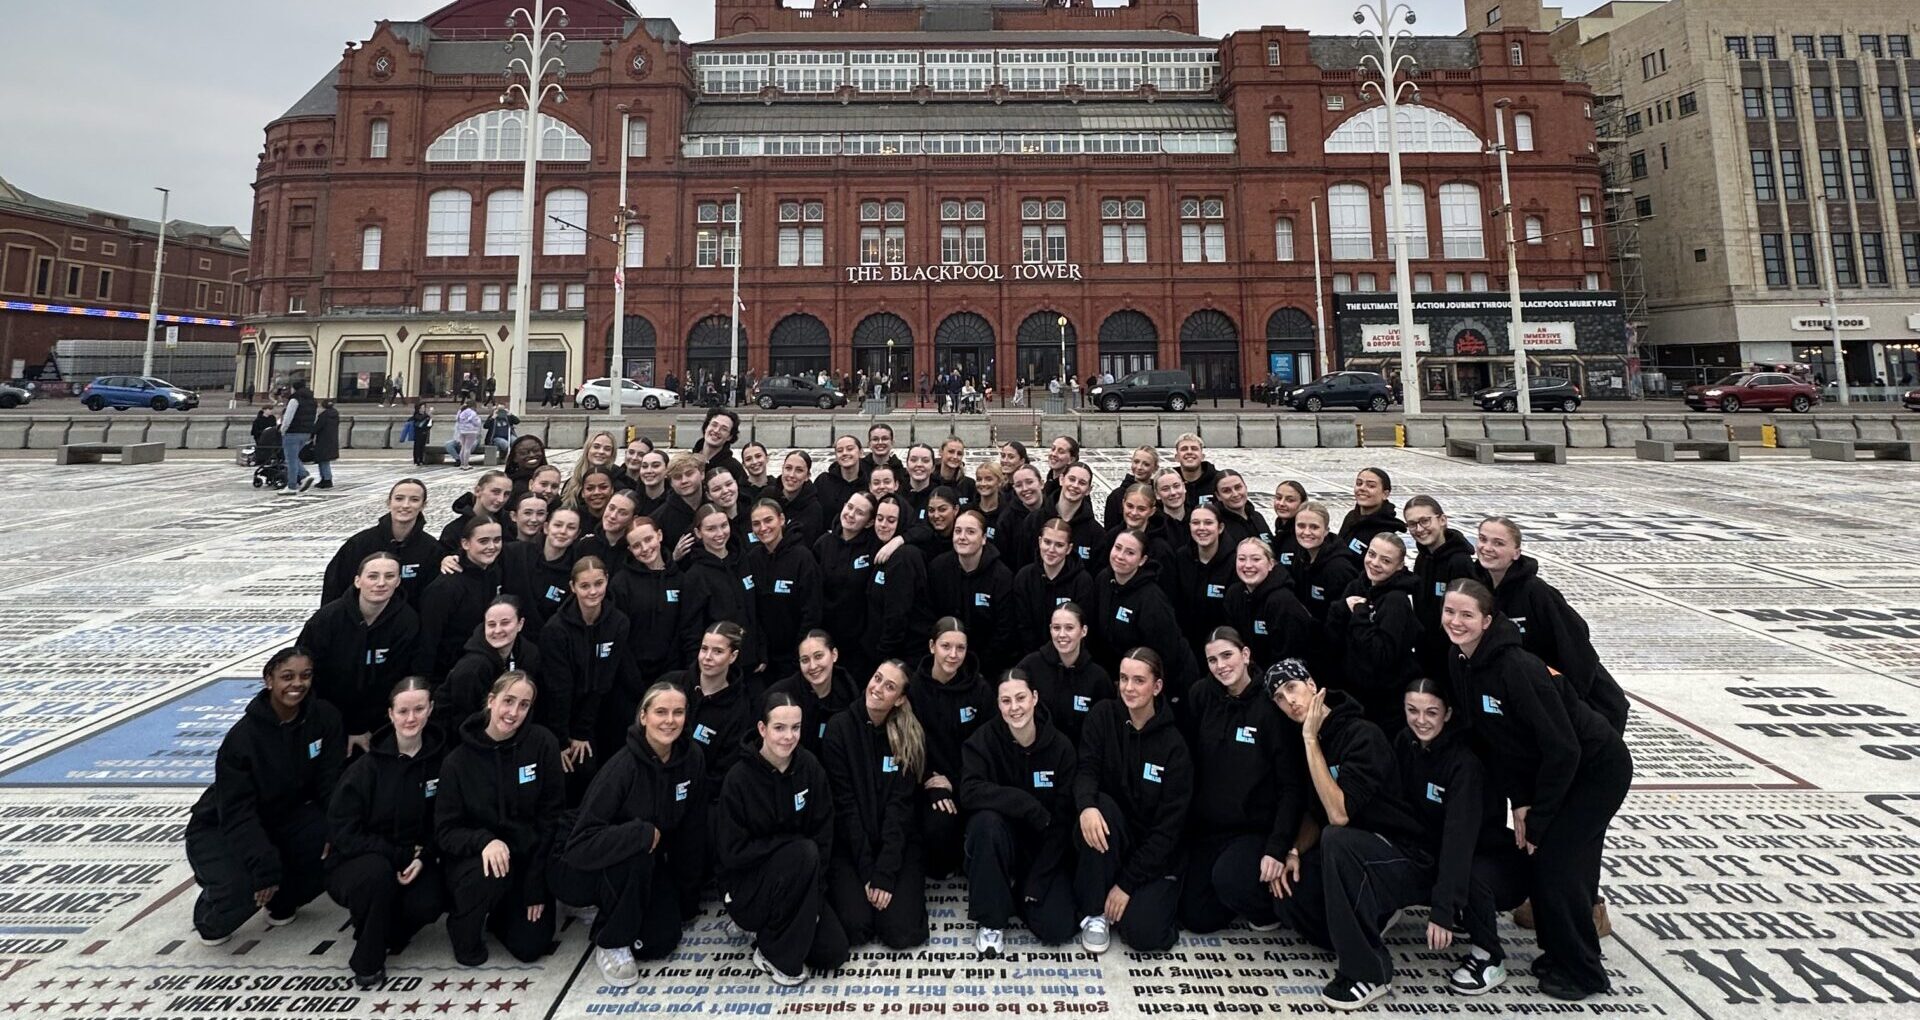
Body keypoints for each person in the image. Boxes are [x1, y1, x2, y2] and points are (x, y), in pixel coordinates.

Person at [1444, 580, 1632, 1001]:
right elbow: (1499, 743)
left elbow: (1562, 748)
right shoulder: (1460, 660)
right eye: (1449, 612)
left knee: (1558, 864)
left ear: (1488, 621)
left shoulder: (1517, 668)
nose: (1456, 622)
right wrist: (1522, 802)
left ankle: (1584, 971)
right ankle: (1560, 952)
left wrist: (1540, 815)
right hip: (1553, 771)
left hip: (1595, 769)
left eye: (1467, 615)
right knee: (1551, 863)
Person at [1265, 659, 1430, 1011]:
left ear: (1312, 684)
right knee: (1287, 894)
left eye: (1292, 688)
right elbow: (1314, 811)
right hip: (1354, 857)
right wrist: (1293, 851)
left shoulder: (1361, 733)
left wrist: (1310, 741)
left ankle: (1369, 971)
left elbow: (1338, 815)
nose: (1289, 701)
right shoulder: (1310, 740)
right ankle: (1370, 918)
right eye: (1279, 698)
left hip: (1402, 854)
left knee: (1336, 839)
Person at [555, 682, 710, 986]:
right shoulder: (622, 767)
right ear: (643, 716)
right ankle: (610, 942)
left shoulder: (692, 758)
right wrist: (638, 833)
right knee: (638, 851)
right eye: (660, 712)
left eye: (678, 712)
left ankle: (613, 906)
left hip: (645, 863)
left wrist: (687, 898)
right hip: (583, 864)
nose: (669, 720)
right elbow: (580, 843)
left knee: (661, 940)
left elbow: (692, 829)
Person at [186, 647, 341, 946]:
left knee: (338, 846)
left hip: (284, 817)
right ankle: (211, 911)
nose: (297, 684)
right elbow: (236, 812)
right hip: (222, 826)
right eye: (287, 676)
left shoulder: (325, 718)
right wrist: (264, 867)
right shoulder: (242, 739)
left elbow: (330, 783)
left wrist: (338, 828)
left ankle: (283, 899)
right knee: (243, 887)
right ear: (269, 680)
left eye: (305, 676)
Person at [1395, 677, 1529, 995]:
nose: (1421, 720)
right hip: (1439, 847)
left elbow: (1459, 840)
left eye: (1431, 712)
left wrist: (1441, 910)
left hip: (1490, 859)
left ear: (1448, 713)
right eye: (1412, 710)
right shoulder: (1404, 742)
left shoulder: (1463, 765)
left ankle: (1488, 957)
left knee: (1467, 873)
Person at [715, 694, 851, 986]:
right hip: (750, 887)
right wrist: (788, 849)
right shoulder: (738, 779)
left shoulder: (809, 768)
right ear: (762, 729)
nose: (789, 737)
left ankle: (770, 932)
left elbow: (823, 833)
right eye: (779, 728)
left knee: (834, 952)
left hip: (801, 879)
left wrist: (815, 897)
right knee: (802, 851)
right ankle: (773, 955)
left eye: (796, 727)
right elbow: (731, 852)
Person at [1180, 629, 1306, 935]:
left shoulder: (1269, 706)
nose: (1221, 665)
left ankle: (1265, 906)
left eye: (1227, 655)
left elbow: (1292, 785)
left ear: (1245, 655)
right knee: (1196, 917)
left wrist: (1278, 847)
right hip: (1210, 829)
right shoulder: (1201, 695)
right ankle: (1233, 889)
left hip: (1253, 829)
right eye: (1212, 660)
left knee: (1230, 879)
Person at [325, 676, 448, 988]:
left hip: (415, 859)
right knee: (377, 875)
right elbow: (343, 831)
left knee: (430, 901)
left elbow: (448, 820)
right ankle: (367, 959)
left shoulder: (443, 763)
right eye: (403, 711)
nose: (411, 718)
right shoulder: (365, 769)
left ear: (430, 709)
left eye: (418, 709)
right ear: (390, 714)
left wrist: (424, 856)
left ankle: (381, 925)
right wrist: (396, 855)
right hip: (360, 862)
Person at [436, 671, 563, 965]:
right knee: (487, 880)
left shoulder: (542, 744)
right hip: (477, 862)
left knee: (532, 946)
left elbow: (550, 819)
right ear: (491, 701)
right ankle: (463, 921)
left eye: (524, 705)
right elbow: (445, 831)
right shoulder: (458, 761)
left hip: (526, 860)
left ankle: (501, 913)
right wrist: (484, 841)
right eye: (508, 701)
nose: (514, 712)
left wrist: (536, 886)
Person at [1071, 648, 1191, 954]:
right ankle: (1095, 912)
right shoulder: (1102, 716)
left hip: (1154, 853)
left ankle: (1149, 898)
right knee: (1101, 808)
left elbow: (1169, 829)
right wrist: (1086, 805)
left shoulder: (1174, 746)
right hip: (1111, 837)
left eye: (1139, 680)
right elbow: (1086, 769)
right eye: (1124, 678)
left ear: (1157, 686)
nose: (1128, 687)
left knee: (1143, 934)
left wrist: (1126, 884)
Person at [961, 668, 1079, 956]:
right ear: (998, 704)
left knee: (1058, 929)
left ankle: (1016, 893)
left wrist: (1036, 885)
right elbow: (969, 791)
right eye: (1006, 701)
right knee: (985, 822)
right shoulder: (984, 740)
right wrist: (1025, 804)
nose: (1014, 708)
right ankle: (991, 919)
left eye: (1021, 698)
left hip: (1043, 849)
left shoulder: (1061, 747)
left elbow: (1063, 821)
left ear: (1035, 697)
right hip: (998, 845)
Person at [1473, 517, 1630, 734]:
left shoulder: (1536, 592)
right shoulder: (1476, 587)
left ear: (1516, 553)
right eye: (1483, 539)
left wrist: (1570, 698)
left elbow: (1576, 644)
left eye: (1498, 543)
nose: (1487, 548)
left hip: (1576, 700)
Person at [823, 660, 932, 950]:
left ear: (900, 699)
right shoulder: (839, 729)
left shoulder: (909, 736)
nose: (878, 688)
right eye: (877, 678)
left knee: (900, 932)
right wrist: (868, 872)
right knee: (855, 927)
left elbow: (901, 809)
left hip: (897, 844)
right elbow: (845, 808)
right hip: (851, 844)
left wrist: (884, 872)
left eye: (890, 686)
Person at [300, 552, 421, 755]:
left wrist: (361, 726)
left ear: (399, 581)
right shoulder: (327, 619)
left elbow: (395, 680)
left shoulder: (407, 622)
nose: (381, 583)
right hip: (328, 717)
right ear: (358, 581)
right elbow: (308, 670)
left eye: (389, 576)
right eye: (373, 576)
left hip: (379, 722)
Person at [908, 617, 994, 878]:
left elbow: (988, 747)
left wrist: (956, 781)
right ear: (932, 646)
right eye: (946, 646)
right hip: (929, 783)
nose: (953, 655)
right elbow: (905, 745)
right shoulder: (913, 689)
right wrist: (929, 781)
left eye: (961, 648)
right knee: (939, 822)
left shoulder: (979, 689)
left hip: (968, 780)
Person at [539, 556, 636, 788]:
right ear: (573, 587)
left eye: (598, 584)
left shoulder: (618, 623)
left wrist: (583, 730)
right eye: (585, 586)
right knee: (576, 768)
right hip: (562, 713)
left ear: (607, 582)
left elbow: (605, 678)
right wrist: (563, 740)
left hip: (597, 707)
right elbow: (558, 689)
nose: (593, 592)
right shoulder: (555, 630)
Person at [1093, 530, 1199, 715]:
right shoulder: (1103, 580)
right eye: (1118, 548)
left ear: (1142, 560)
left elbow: (1167, 652)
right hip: (1127, 677)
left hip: (1170, 679)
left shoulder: (1152, 599)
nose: (1120, 556)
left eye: (1130, 552)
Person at [1325, 533, 1423, 728]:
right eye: (1372, 554)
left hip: (1384, 701)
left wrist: (1360, 616)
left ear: (1399, 566)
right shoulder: (1357, 585)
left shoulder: (1396, 601)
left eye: (1386, 561)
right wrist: (1341, 610)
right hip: (1354, 690)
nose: (1375, 563)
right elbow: (1332, 636)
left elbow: (1381, 654)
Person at [663, 621, 759, 794]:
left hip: (697, 795)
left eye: (718, 651)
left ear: (733, 656)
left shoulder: (738, 708)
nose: (707, 657)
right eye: (704, 648)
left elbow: (724, 769)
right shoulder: (673, 683)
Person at [679, 503, 765, 675]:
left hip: (752, 662)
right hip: (720, 669)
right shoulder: (695, 575)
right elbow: (691, 631)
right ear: (698, 533)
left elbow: (755, 611)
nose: (719, 534)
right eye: (711, 529)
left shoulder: (743, 561)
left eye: (724, 526)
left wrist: (761, 652)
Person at [322, 479, 438, 606]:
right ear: (389, 502)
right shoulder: (359, 544)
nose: (405, 505)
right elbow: (334, 587)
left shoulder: (431, 548)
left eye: (414, 500)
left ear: (423, 505)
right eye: (399, 498)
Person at [416, 514, 506, 679]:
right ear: (465, 543)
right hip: (450, 673)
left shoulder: (496, 571)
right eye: (483, 541)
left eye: (497, 540)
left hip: (484, 667)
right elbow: (427, 641)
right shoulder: (446, 587)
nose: (492, 546)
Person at [930, 509, 1015, 673]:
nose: (962, 537)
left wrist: (977, 665)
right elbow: (930, 615)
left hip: (986, 666)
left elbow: (1004, 630)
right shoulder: (938, 568)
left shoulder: (1002, 576)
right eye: (958, 531)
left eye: (970, 532)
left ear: (983, 538)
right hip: (944, 660)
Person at [1014, 603, 1111, 746]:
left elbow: (1104, 730)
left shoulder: (1098, 678)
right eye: (1056, 628)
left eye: (1069, 628)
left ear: (1083, 631)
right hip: (1039, 753)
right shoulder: (1029, 667)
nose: (1062, 635)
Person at [438, 595, 541, 728]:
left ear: (520, 624)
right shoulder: (473, 667)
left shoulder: (529, 654)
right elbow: (463, 719)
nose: (497, 630)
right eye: (491, 625)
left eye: (505, 623)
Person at [748, 499, 822, 680]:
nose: (763, 528)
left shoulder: (802, 558)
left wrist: (800, 655)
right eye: (756, 524)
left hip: (794, 660)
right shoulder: (752, 559)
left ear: (781, 519)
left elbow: (812, 612)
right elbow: (751, 610)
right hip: (764, 660)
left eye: (768, 520)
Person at [610, 516, 689, 684]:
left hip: (672, 674)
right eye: (637, 545)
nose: (645, 548)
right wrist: (631, 676)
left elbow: (684, 630)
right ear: (630, 549)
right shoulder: (621, 583)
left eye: (648, 539)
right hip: (631, 677)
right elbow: (618, 635)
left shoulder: (680, 580)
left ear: (659, 536)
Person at [1223, 537, 1317, 675]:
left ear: (1271, 564)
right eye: (1242, 559)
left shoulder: (1283, 601)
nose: (1248, 565)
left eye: (1256, 559)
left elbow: (1291, 655)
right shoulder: (1233, 595)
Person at [1008, 518, 1099, 653]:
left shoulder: (1082, 582)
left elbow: (1083, 628)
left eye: (1059, 545)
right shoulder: (1024, 578)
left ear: (1069, 549)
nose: (1051, 550)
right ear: (1039, 542)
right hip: (1031, 656)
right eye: (1047, 542)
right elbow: (1022, 625)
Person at [762, 630, 857, 757]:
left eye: (818, 656)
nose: (812, 666)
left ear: (834, 655)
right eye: (805, 660)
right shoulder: (779, 694)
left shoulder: (849, 693)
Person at [865, 495, 934, 664]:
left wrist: (884, 652)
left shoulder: (904, 557)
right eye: (879, 518)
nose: (883, 525)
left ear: (902, 521)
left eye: (891, 520)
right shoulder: (881, 549)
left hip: (901, 655)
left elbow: (897, 613)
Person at [499, 506, 580, 628]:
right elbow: (483, 558)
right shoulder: (515, 552)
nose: (563, 531)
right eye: (558, 525)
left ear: (577, 534)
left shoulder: (575, 571)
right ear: (546, 528)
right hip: (508, 630)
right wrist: (460, 558)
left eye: (571, 528)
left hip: (546, 637)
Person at [1293, 502, 1361, 625]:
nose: (1307, 532)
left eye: (1314, 527)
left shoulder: (1339, 569)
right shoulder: (1301, 556)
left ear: (1326, 531)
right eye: (1301, 526)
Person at [438, 471, 514, 554]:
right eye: (495, 492)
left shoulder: (511, 524)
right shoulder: (454, 530)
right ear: (478, 491)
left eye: (506, 494)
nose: (501, 499)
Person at [1335, 468, 1405, 557]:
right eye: (1359, 483)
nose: (1362, 488)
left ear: (1385, 494)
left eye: (1371, 486)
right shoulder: (1351, 517)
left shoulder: (1385, 530)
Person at [815, 435, 870, 527]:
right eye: (840, 451)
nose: (844, 453)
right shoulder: (823, 481)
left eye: (850, 449)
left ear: (861, 453)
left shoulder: (869, 483)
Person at [773, 451, 825, 549]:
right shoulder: (768, 496)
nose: (792, 475)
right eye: (788, 468)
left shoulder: (813, 509)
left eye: (799, 470)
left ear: (807, 476)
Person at [1212, 470, 1271, 551]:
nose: (1235, 494)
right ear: (1218, 496)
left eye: (1238, 487)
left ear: (1246, 487)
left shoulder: (1257, 517)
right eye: (1226, 491)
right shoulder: (1216, 523)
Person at [1104, 447, 1160, 531]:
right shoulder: (1116, 496)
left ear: (1155, 468)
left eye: (1146, 464)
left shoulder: (1159, 494)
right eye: (1136, 462)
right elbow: (1109, 530)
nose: (1139, 467)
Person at [280, 378, 318, 492]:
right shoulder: (313, 401)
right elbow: (315, 417)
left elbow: (288, 416)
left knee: (290, 459)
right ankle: (304, 475)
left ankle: (292, 485)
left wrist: (283, 429)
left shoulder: (294, 400)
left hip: (293, 432)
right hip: (306, 433)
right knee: (294, 457)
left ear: (294, 388)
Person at [1272, 481, 1310, 571]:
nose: (1281, 503)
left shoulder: (1304, 536)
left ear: (1302, 503)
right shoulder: (1280, 530)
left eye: (1290, 500)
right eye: (1278, 498)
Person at [1172, 434, 1218, 510]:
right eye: (1184, 449)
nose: (1189, 452)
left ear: (1202, 456)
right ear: (1177, 457)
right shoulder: (1168, 483)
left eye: (1194, 449)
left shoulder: (1218, 480)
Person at [312, 400, 341, 490]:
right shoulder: (335, 415)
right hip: (332, 440)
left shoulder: (323, 416)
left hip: (323, 440)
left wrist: (311, 433)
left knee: (323, 460)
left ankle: (326, 479)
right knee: (325, 460)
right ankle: (326, 478)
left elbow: (317, 427)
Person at [450, 401, 483, 470]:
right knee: (468, 448)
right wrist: (479, 421)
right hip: (471, 431)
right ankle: (466, 464)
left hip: (462, 430)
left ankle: (462, 464)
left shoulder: (460, 412)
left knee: (463, 447)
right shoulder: (472, 413)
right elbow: (476, 422)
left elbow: (457, 420)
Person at [408, 403, 434, 467]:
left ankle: (421, 459)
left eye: (424, 408)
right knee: (417, 446)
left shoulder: (425, 415)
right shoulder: (416, 415)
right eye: (422, 408)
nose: (423, 409)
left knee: (422, 447)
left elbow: (429, 422)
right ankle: (417, 460)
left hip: (424, 433)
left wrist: (430, 419)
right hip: (418, 433)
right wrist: (428, 414)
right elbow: (419, 419)